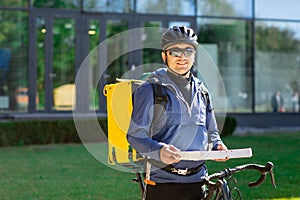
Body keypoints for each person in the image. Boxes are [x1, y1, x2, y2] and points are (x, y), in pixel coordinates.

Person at [127, 25, 228, 200]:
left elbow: (211, 130)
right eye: (175, 51)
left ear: (194, 55)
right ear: (164, 56)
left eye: (188, 51)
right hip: (163, 184)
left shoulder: (202, 90)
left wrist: (217, 145)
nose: (182, 57)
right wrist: (159, 150)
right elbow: (134, 136)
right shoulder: (150, 89)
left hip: (198, 181)